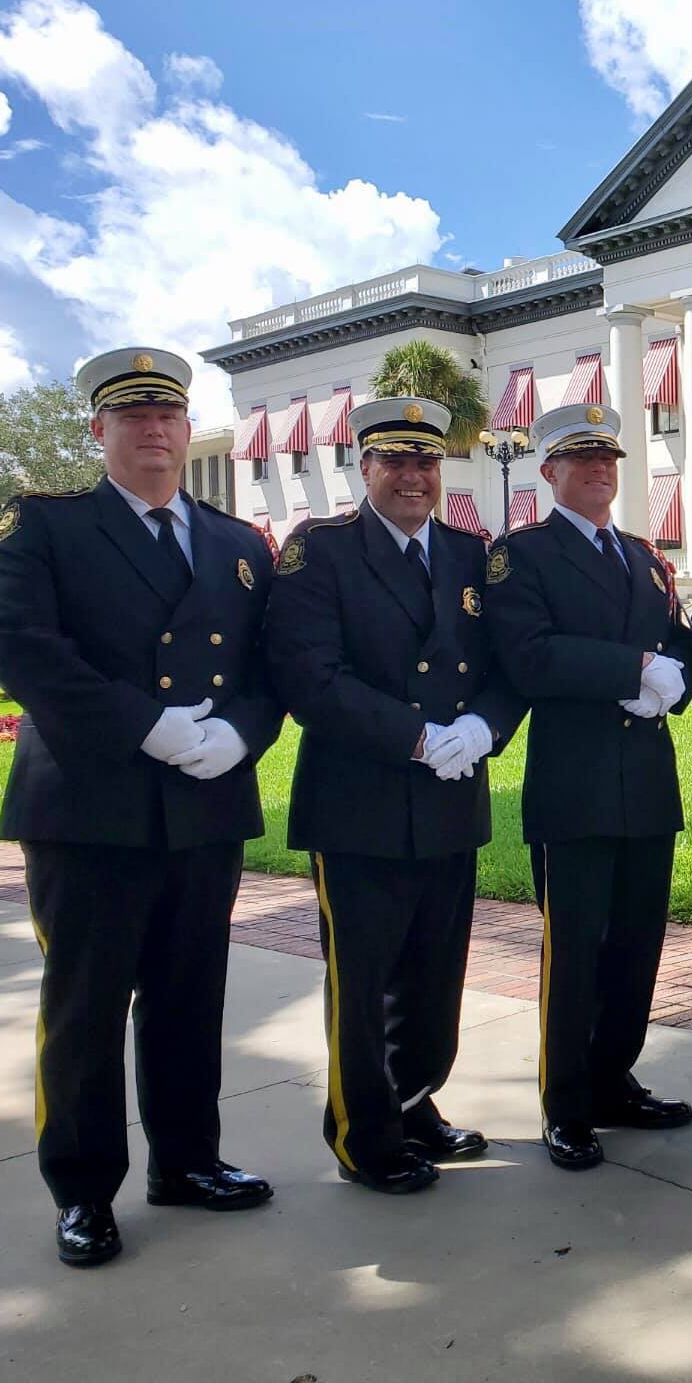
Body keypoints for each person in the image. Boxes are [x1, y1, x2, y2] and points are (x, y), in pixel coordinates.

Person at [0, 347, 281, 1267]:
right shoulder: (44, 527)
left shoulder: (235, 543)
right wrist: (146, 726)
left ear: (189, 431)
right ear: (99, 430)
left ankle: (187, 1162)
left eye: (169, 415)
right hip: (90, 803)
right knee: (86, 1005)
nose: (154, 430)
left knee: (190, 997)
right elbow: (19, 651)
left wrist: (241, 735)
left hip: (205, 800)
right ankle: (82, 1191)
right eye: (133, 415)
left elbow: (275, 664)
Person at [264, 397, 524, 1192]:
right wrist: (416, 737)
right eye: (395, 461)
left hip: (451, 798)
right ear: (364, 467)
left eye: (426, 461)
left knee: (434, 974)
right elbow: (309, 676)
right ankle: (362, 1134)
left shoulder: (469, 553)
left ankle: (414, 1103)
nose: (413, 476)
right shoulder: (321, 550)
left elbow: (506, 666)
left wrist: (483, 728)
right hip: (360, 802)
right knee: (365, 980)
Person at [484, 403, 692, 1171]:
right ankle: (566, 1102)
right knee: (574, 950)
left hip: (645, 778)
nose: (600, 471)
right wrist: (632, 671)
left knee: (638, 945)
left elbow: (679, 642)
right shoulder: (522, 555)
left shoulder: (642, 555)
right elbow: (529, 656)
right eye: (581, 460)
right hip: (573, 784)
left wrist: (675, 682)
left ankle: (614, 1079)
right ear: (548, 472)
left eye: (608, 459)